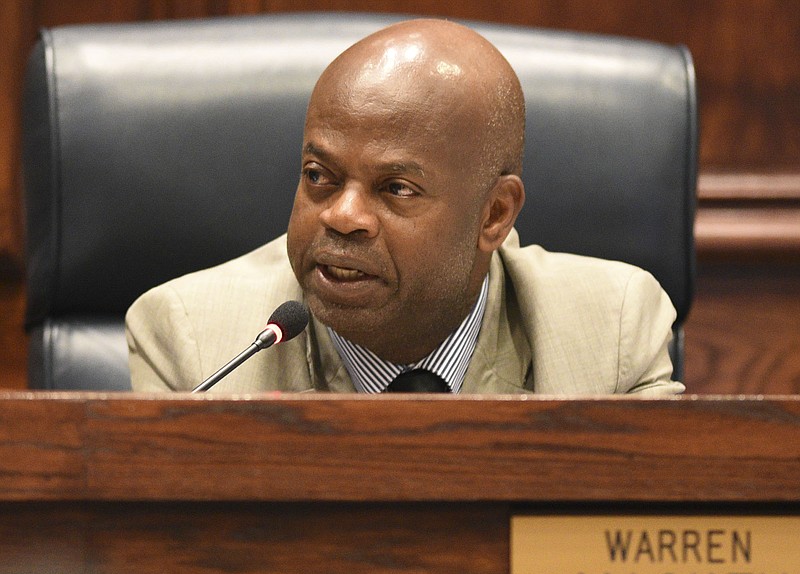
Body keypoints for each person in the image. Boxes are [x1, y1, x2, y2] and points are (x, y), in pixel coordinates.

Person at [126, 18, 684, 395]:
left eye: (396, 188)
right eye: (319, 176)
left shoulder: (612, 332)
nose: (342, 216)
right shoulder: (193, 342)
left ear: (494, 215)